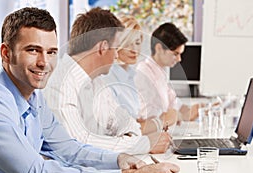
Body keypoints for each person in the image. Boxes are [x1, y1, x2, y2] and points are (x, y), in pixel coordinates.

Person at [0, 7, 179, 173]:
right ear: (6, 53)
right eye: (33, 50)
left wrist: (119, 160)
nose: (44, 62)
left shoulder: (33, 98)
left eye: (51, 52)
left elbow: (68, 149)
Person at [44, 8, 172, 155]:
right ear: (103, 47)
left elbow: (128, 124)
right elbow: (77, 144)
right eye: (116, 48)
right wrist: (144, 144)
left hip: (96, 168)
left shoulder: (97, 81)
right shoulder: (60, 82)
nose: (117, 54)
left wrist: (125, 142)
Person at [100, 15, 168, 135]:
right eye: (128, 44)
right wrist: (159, 122)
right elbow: (120, 130)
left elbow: (132, 119)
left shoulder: (131, 75)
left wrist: (146, 122)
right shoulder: (108, 78)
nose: (134, 49)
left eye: (137, 42)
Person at [134, 22, 200, 128]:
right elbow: (148, 115)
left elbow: (173, 102)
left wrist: (199, 109)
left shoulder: (160, 72)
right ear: (159, 48)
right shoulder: (143, 74)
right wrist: (177, 116)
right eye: (175, 54)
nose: (179, 59)